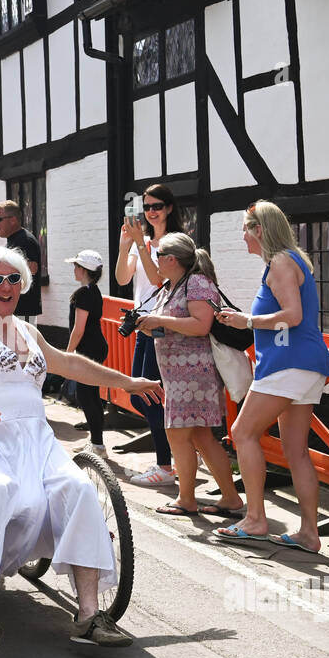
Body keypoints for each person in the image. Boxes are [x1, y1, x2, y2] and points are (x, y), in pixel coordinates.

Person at [0, 246, 164, 651]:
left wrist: (128, 381)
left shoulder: (29, 332)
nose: (7, 286)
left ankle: (89, 615)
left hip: (40, 443)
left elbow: (70, 364)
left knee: (79, 490)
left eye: (14, 279)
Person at [216, 200, 329, 552]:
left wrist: (246, 321)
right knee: (296, 452)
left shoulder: (280, 261)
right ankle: (309, 533)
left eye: (245, 228)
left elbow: (291, 316)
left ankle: (254, 519)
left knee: (242, 432)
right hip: (305, 365)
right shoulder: (291, 260)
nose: (242, 235)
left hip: (287, 364)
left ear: (260, 230)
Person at [134, 233, 244, 520]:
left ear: (171, 259)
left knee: (178, 433)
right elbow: (176, 326)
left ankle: (186, 499)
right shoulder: (174, 286)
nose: (156, 261)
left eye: (158, 255)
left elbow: (200, 325)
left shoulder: (196, 283)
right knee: (201, 436)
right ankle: (230, 499)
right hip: (181, 375)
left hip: (193, 375)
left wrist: (159, 320)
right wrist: (150, 327)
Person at [115, 182, 178, 487]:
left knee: (149, 396)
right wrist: (125, 244)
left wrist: (141, 243)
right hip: (143, 325)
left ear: (168, 208)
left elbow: (158, 280)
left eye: (156, 206)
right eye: (147, 207)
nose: (150, 212)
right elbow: (122, 277)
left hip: (163, 325)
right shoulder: (145, 241)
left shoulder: (172, 243)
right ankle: (179, 446)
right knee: (140, 395)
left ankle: (165, 465)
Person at [63, 249, 109, 456]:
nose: (73, 269)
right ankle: (97, 442)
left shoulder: (83, 294)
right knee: (91, 394)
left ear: (83, 270)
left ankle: (98, 445)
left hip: (88, 349)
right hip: (96, 347)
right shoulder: (93, 291)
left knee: (85, 395)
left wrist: (67, 354)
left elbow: (78, 329)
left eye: (76, 266)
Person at [0, 200, 41, 320]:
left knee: (23, 339)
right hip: (16, 308)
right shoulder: (15, 240)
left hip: (23, 309)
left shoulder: (24, 241)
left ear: (13, 220)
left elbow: (31, 270)